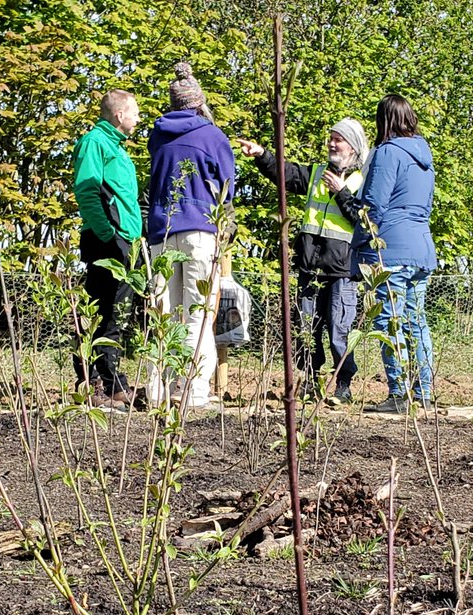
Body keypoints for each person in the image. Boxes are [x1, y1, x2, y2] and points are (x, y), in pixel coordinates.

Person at [236, 118, 369, 406]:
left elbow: (364, 221)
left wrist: (341, 193)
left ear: (354, 147)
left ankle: (342, 385)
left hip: (342, 270)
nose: (332, 144)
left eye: (339, 139)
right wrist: (262, 155)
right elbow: (284, 173)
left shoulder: (363, 180)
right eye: (331, 138)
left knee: (339, 331)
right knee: (306, 328)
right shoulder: (316, 173)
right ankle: (309, 379)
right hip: (311, 267)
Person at [145, 62, 236, 408]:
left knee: (163, 314)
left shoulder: (157, 135)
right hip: (200, 230)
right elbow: (227, 188)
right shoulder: (213, 136)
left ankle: (158, 392)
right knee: (198, 312)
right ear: (199, 102)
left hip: (161, 230)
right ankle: (195, 392)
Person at [351, 95, 437, 414]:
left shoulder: (388, 153)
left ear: (382, 120)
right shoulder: (424, 158)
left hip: (391, 249)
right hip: (422, 247)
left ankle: (400, 394)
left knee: (390, 323)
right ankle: (424, 391)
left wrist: (360, 243)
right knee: (416, 321)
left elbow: (374, 204)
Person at [71, 88, 142, 410]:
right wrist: (108, 235)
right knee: (101, 313)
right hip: (108, 241)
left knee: (117, 314)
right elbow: (87, 190)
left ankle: (112, 384)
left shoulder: (117, 148)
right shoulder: (95, 143)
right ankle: (92, 384)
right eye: (136, 112)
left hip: (124, 240)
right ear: (120, 115)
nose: (139, 119)